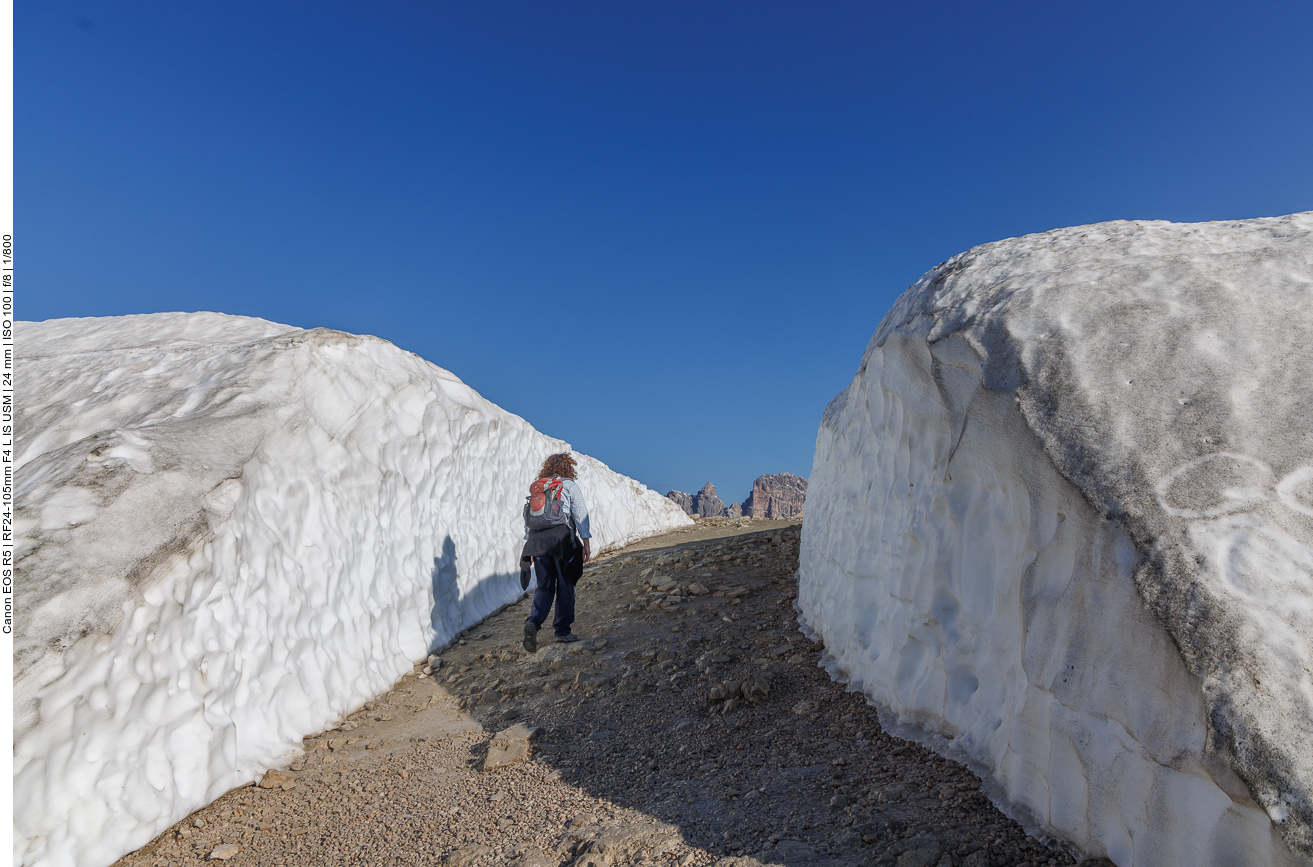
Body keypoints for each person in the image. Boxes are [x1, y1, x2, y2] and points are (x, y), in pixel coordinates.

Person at [519, 453, 591, 652]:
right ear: (569, 468)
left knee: (544, 586)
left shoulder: (539, 487)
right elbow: (581, 514)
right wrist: (585, 542)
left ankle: (533, 622)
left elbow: (531, 520)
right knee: (565, 584)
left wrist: (531, 546)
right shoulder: (569, 486)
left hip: (538, 542)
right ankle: (562, 631)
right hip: (562, 541)